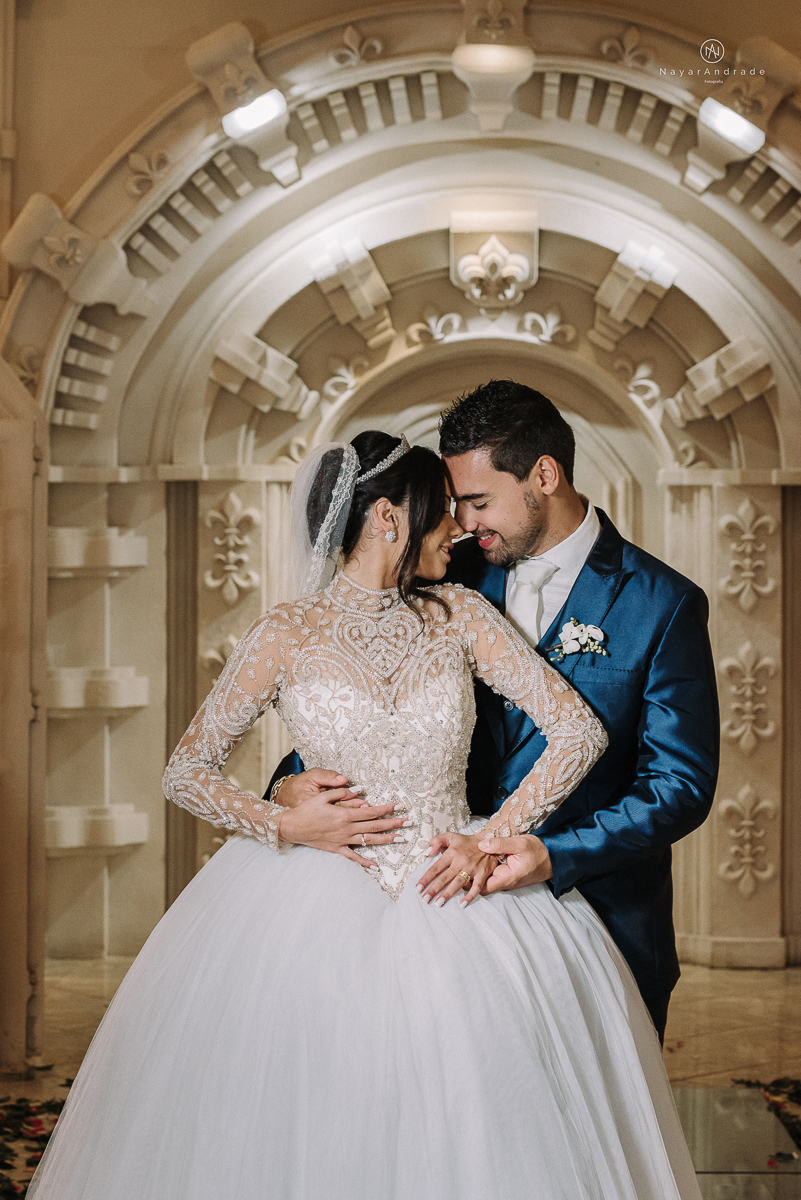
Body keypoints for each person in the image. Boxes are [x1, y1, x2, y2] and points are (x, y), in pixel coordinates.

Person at [29, 429, 702, 1200]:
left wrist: (489, 838)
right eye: (439, 510)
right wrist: (283, 820)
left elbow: (579, 731)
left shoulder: (458, 611)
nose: (455, 528)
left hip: (453, 887)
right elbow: (185, 771)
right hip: (310, 898)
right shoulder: (284, 633)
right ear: (387, 517)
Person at [267, 382, 720, 1041]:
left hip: (602, 911)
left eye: (478, 502)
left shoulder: (662, 603)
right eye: (456, 504)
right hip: (445, 920)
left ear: (544, 476)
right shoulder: (444, 577)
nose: (463, 522)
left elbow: (678, 785)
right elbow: (368, 705)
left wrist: (550, 853)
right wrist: (288, 785)